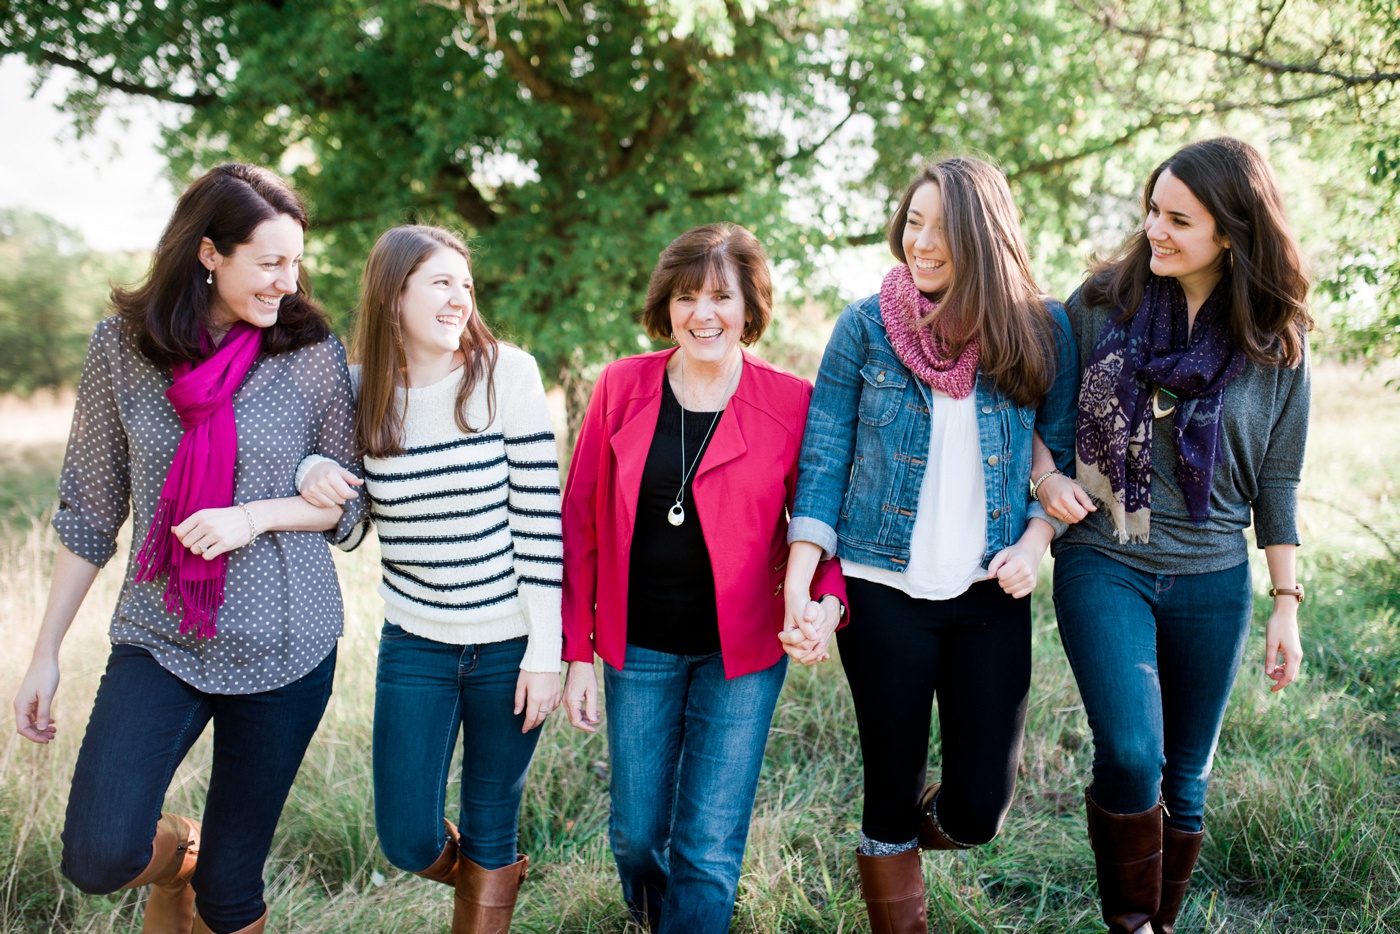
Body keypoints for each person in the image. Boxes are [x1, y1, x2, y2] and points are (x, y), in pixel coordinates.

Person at [10, 164, 365, 934]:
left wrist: (254, 516)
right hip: (161, 634)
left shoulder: (307, 351)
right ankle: (179, 853)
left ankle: (211, 881)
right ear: (209, 252)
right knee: (99, 854)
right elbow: (91, 512)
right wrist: (45, 653)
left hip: (289, 643)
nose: (287, 281)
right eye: (269, 261)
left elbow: (351, 506)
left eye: (295, 261)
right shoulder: (121, 349)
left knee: (231, 894)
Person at [782, 155, 1079, 933]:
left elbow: (1057, 454)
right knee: (890, 787)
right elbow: (823, 458)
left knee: (981, 807)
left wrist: (1037, 541)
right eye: (913, 222)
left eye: (942, 227)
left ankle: (901, 847)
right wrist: (801, 583)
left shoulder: (1040, 329)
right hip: (882, 595)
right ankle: (891, 876)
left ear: (983, 235)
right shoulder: (863, 328)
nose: (921, 241)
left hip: (988, 591)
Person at [1030, 136, 1311, 934]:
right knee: (1129, 754)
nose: (1155, 229)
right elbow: (1033, 410)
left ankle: (1154, 924)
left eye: (1178, 219)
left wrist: (1286, 600)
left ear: (1230, 230)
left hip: (1216, 575)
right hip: (1105, 558)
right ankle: (1130, 922)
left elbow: (1279, 482)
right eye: (1152, 210)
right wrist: (1046, 477)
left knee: (1185, 779)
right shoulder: (1100, 303)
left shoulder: (1276, 343)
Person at [559, 223, 845, 934]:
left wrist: (827, 602)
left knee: (709, 849)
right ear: (667, 306)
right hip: (639, 646)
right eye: (687, 297)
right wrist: (575, 655)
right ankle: (653, 915)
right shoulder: (621, 386)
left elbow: (822, 517)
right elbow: (580, 524)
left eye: (721, 295)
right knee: (633, 832)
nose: (703, 313)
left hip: (741, 655)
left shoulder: (791, 401)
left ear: (750, 307)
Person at [297, 225, 563, 933]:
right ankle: (483, 882)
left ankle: (487, 885)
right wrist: (312, 474)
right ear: (393, 298)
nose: (459, 299)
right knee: (406, 836)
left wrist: (546, 651)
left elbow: (541, 521)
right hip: (416, 642)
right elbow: (350, 531)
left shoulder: (508, 373)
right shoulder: (359, 393)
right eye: (440, 283)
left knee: (490, 825)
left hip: (509, 642)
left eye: (465, 285)